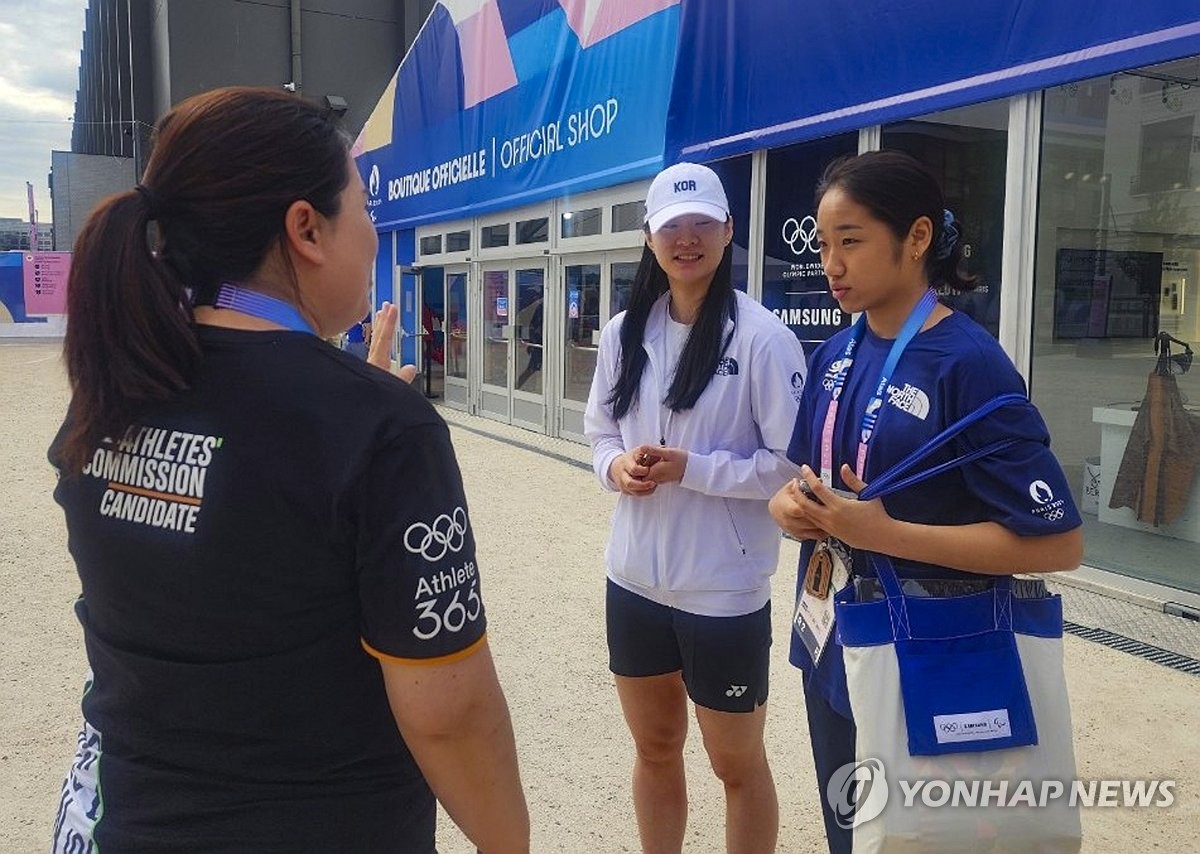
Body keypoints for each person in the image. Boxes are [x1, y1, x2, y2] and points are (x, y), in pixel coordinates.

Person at [48, 87, 529, 854]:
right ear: (306, 228)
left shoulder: (109, 395)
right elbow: (451, 712)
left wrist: (354, 407)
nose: (373, 235)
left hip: (122, 823)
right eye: (364, 209)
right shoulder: (378, 432)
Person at [768, 150, 1083, 854]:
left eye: (851, 241)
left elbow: (1060, 544)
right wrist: (789, 509)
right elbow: (809, 480)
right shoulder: (834, 354)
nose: (832, 263)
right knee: (853, 835)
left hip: (935, 657)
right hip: (831, 641)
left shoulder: (969, 363)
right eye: (823, 244)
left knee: (927, 841)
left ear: (915, 239)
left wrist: (884, 534)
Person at [584, 162, 808, 853]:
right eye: (671, 226)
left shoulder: (763, 339)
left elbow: (791, 468)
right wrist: (617, 468)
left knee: (734, 765)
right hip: (635, 580)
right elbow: (597, 433)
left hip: (723, 590)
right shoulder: (624, 332)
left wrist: (694, 471)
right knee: (655, 749)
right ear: (649, 238)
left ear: (728, 232)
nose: (687, 239)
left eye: (701, 224)